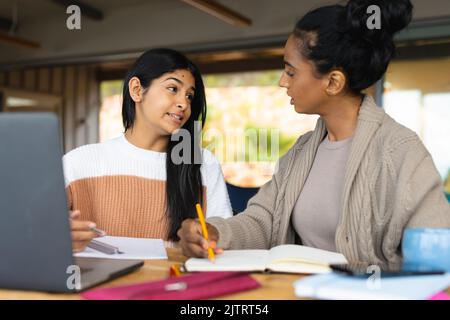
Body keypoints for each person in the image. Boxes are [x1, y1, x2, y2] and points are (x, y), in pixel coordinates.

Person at [177, 0, 450, 270]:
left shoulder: (402, 152)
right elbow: (263, 220)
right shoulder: (301, 151)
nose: (283, 82)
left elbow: (436, 257)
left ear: (333, 82)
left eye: (290, 71)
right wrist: (214, 232)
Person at [64, 48, 232, 252]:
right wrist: (58, 237)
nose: (183, 103)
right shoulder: (77, 163)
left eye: (189, 96)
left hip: (177, 282)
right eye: (172, 88)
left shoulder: (204, 163)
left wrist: (208, 242)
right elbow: (34, 232)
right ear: (136, 90)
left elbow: (223, 240)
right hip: (100, 283)